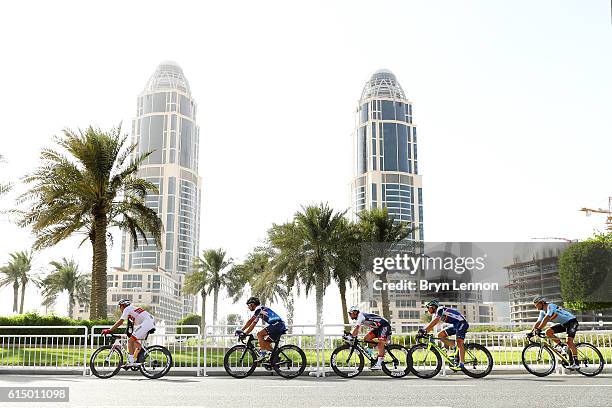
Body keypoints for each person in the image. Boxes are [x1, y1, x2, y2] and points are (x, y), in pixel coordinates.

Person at [418, 299, 469, 372]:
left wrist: (425, 330)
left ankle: (462, 365)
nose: (427, 310)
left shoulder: (440, 309)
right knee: (440, 335)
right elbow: (431, 326)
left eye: (428, 307)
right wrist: (423, 333)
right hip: (455, 325)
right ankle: (455, 347)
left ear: (433, 307)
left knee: (459, 342)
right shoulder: (435, 315)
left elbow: (435, 321)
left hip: (462, 323)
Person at [102, 299, 155, 367]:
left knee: (130, 341)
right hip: (149, 322)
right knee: (132, 340)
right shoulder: (131, 312)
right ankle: (140, 355)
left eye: (120, 306)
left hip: (147, 322)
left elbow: (120, 322)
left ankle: (131, 362)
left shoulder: (127, 309)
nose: (120, 309)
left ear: (123, 305)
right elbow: (129, 330)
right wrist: (121, 336)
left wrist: (109, 330)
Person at [531, 295, 579, 369]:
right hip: (564, 324)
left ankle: (576, 363)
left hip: (572, 322)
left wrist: (539, 329)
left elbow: (546, 318)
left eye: (537, 305)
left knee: (569, 341)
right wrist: (531, 332)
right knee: (548, 332)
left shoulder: (550, 306)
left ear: (542, 303)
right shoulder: (542, 312)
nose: (536, 307)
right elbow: (538, 322)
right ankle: (563, 346)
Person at [236, 297, 287, 362]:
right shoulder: (259, 312)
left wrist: (242, 330)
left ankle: (263, 354)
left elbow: (250, 321)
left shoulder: (259, 309)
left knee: (259, 334)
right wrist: (245, 334)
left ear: (252, 304)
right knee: (265, 343)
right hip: (279, 325)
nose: (248, 307)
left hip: (276, 325)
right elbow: (252, 325)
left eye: (248, 305)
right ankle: (276, 357)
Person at [347, 305, 392, 370]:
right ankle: (380, 351)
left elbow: (356, 328)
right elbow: (357, 329)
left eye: (350, 313)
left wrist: (351, 336)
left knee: (380, 342)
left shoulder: (360, 316)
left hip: (384, 325)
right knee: (366, 339)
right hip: (378, 328)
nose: (349, 315)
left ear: (355, 312)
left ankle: (379, 364)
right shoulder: (359, 317)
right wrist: (351, 335)